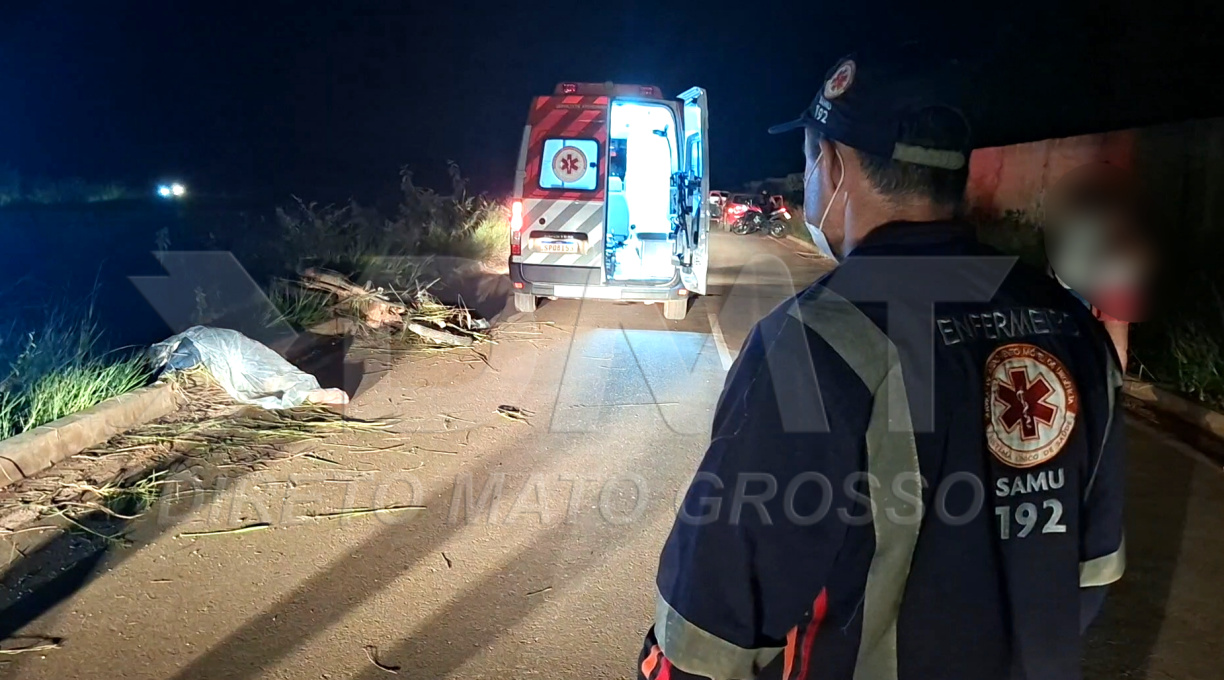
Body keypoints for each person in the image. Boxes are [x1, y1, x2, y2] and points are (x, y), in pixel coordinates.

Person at [637, 46, 1125, 680]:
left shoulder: (815, 342)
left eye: (810, 159)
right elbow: (1091, 571)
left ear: (834, 165)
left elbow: (712, 621)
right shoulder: (1072, 326)